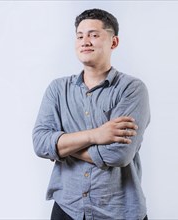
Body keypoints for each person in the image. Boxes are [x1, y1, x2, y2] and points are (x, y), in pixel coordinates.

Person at [33, 8, 150, 220]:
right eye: (80, 35)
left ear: (113, 42)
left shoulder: (131, 89)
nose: (85, 41)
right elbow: (40, 144)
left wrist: (61, 147)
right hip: (67, 208)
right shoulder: (57, 90)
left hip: (119, 211)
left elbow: (118, 155)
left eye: (94, 35)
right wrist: (96, 135)